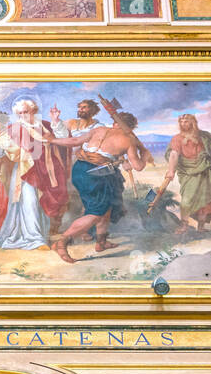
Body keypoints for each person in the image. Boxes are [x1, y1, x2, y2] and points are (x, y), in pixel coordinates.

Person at [43, 111, 148, 262]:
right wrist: (144, 154)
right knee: (96, 213)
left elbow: (75, 141)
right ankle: (62, 241)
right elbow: (138, 166)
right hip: (95, 175)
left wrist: (53, 140)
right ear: (131, 127)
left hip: (80, 170)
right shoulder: (128, 140)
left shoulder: (99, 130)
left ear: (115, 123)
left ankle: (101, 242)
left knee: (106, 208)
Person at [0, 98, 68, 250]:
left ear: (33, 110)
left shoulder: (45, 125)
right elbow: (2, 145)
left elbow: (63, 138)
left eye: (25, 112)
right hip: (25, 170)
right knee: (30, 202)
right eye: (19, 113)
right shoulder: (16, 128)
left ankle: (41, 234)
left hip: (46, 170)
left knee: (41, 202)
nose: (22, 115)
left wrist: (56, 120)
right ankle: (34, 239)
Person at [161, 114, 211, 233]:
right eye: (181, 122)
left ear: (193, 123)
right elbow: (174, 154)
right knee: (187, 200)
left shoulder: (205, 136)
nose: (183, 124)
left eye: (186, 121)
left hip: (206, 171)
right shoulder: (177, 138)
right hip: (188, 173)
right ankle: (184, 225)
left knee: (206, 201)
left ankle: (201, 226)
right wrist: (171, 170)